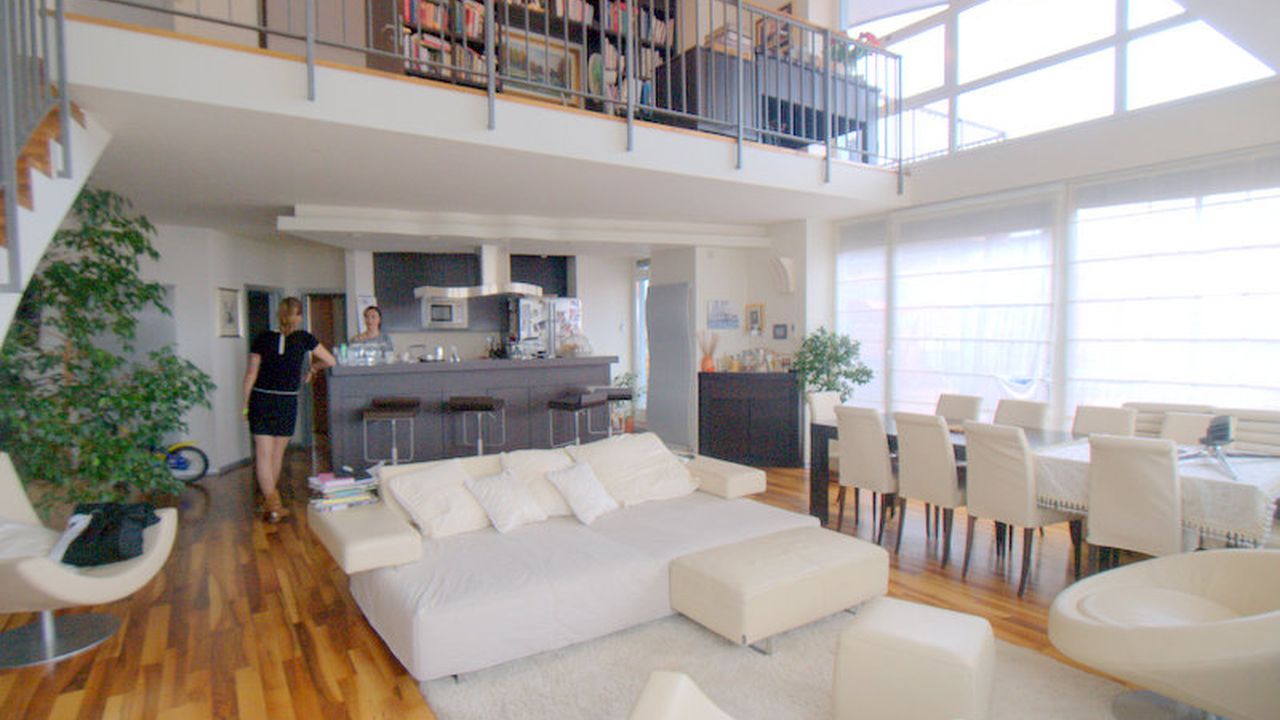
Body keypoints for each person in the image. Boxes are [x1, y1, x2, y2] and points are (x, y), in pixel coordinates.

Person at [241, 297, 336, 523]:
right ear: (299, 317)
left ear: (279, 315)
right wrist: (313, 367)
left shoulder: (262, 338)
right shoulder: (305, 338)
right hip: (286, 401)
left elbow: (251, 374)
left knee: (263, 454)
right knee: (276, 454)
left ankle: (271, 503)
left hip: (261, 399)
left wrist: (244, 404)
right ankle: (273, 504)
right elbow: (331, 360)